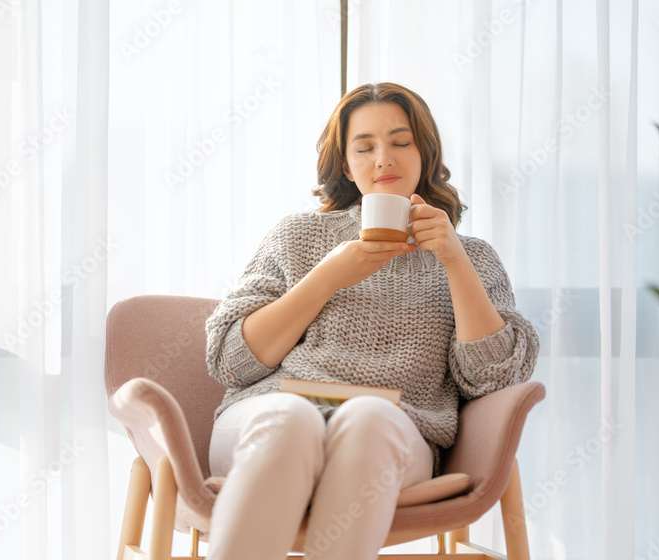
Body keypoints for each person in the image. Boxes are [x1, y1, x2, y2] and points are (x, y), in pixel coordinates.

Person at [204, 82, 539, 560]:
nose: (384, 158)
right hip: (273, 411)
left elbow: (496, 377)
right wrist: (327, 277)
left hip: (395, 430)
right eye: (365, 147)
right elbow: (230, 361)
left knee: (370, 417)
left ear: (424, 152)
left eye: (401, 142)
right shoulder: (297, 235)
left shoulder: (473, 257)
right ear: (346, 163)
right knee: (291, 418)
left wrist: (454, 260)